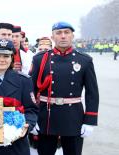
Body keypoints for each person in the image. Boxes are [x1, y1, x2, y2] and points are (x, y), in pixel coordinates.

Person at [30, 21, 99, 155]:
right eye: (59, 33)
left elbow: (92, 93)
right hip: (46, 116)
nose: (63, 36)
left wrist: (90, 120)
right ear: (53, 37)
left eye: (66, 32)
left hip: (73, 118)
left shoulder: (84, 60)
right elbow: (30, 91)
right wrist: (32, 118)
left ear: (72, 36)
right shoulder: (40, 59)